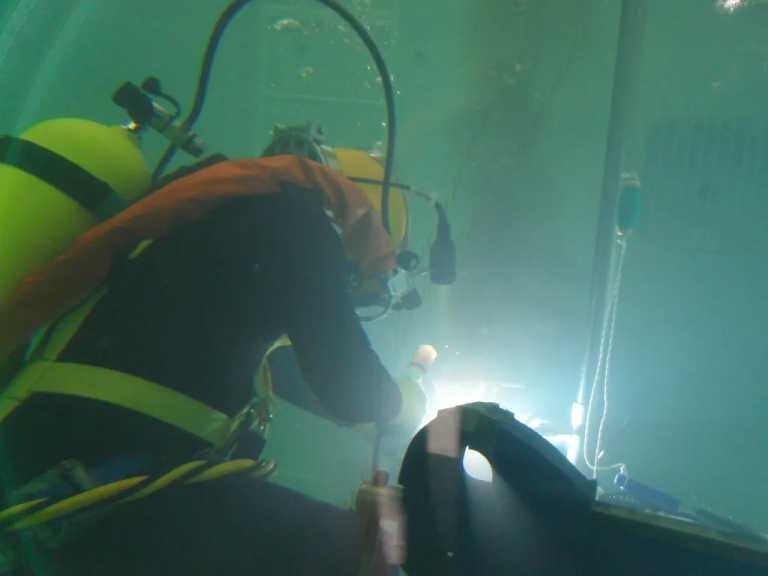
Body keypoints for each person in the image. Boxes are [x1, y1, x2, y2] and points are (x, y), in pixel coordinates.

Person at [0, 118, 425, 575]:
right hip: (113, 485)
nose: (344, 288)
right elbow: (349, 387)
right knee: (362, 555)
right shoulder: (299, 217)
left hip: (38, 452)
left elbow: (283, 370)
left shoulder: (202, 202)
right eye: (352, 280)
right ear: (361, 224)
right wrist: (403, 404)